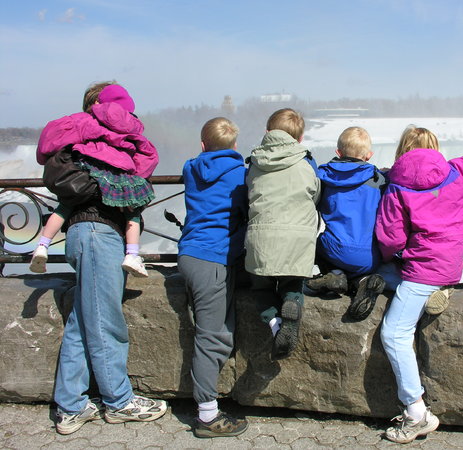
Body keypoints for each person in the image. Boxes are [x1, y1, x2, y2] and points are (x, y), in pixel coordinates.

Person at [41, 81, 166, 435]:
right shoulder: (105, 141)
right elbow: (139, 172)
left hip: (80, 233)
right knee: (106, 321)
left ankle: (71, 406)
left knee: (83, 320)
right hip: (99, 234)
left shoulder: (77, 139)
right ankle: (118, 400)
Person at [375, 126, 463, 443]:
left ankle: (416, 412)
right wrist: (454, 165)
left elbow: (390, 239)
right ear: (434, 147)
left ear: (402, 150)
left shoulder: (396, 184)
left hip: (421, 271)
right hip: (449, 264)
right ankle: (438, 289)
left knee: (394, 333)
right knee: (381, 281)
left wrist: (397, 256)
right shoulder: (457, 172)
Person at [30, 83, 158, 278]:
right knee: (132, 212)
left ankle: (42, 245)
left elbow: (48, 143)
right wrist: (136, 177)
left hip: (88, 167)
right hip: (119, 176)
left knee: (65, 206)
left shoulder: (84, 121)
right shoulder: (132, 126)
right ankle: (133, 254)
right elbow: (148, 155)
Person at [177, 117, 249, 438]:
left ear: (203, 145)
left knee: (216, 329)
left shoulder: (190, 168)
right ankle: (207, 415)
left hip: (189, 254)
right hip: (213, 259)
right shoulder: (240, 175)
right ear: (235, 145)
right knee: (211, 337)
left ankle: (208, 406)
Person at [245, 108, 321, 360]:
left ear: (267, 132)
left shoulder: (254, 162)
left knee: (260, 287)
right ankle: (292, 302)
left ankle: (274, 322)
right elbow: (315, 194)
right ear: (300, 138)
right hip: (297, 239)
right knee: (292, 282)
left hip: (261, 238)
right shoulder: (307, 162)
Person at [305, 126, 387, 320]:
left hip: (334, 250)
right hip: (370, 256)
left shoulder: (324, 176)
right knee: (357, 261)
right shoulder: (379, 180)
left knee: (316, 243)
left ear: (338, 152)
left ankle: (335, 274)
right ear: (369, 155)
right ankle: (361, 282)